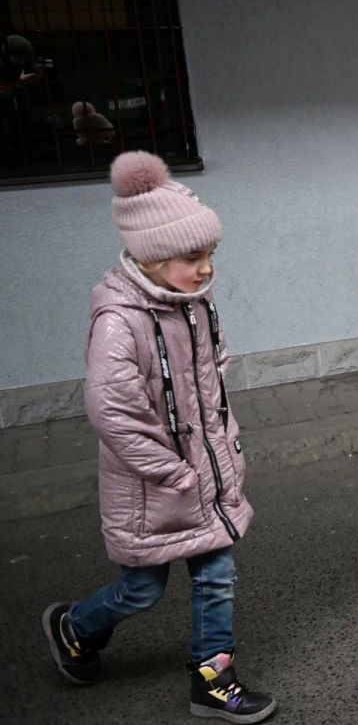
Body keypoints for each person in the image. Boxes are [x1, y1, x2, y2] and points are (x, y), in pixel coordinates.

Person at [41, 151, 277, 723]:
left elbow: (210, 378)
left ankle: (211, 679)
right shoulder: (119, 321)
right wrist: (175, 472)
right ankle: (73, 626)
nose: (205, 269)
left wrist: (225, 442)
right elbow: (114, 412)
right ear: (150, 256)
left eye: (209, 255)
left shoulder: (194, 304)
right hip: (156, 487)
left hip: (203, 473)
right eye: (191, 257)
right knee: (142, 589)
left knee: (217, 576)